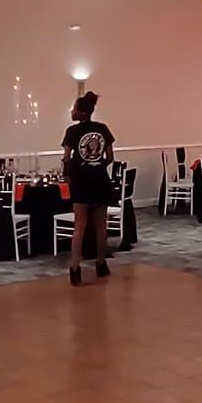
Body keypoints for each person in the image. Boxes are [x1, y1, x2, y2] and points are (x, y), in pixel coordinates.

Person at [61, 91, 116, 285]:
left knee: (79, 226)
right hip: (100, 180)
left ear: (81, 113)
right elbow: (110, 157)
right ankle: (101, 264)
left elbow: (67, 158)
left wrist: (70, 174)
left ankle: (75, 268)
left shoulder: (72, 131)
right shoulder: (103, 129)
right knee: (101, 226)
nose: (72, 112)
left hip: (81, 182)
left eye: (74, 109)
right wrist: (97, 166)